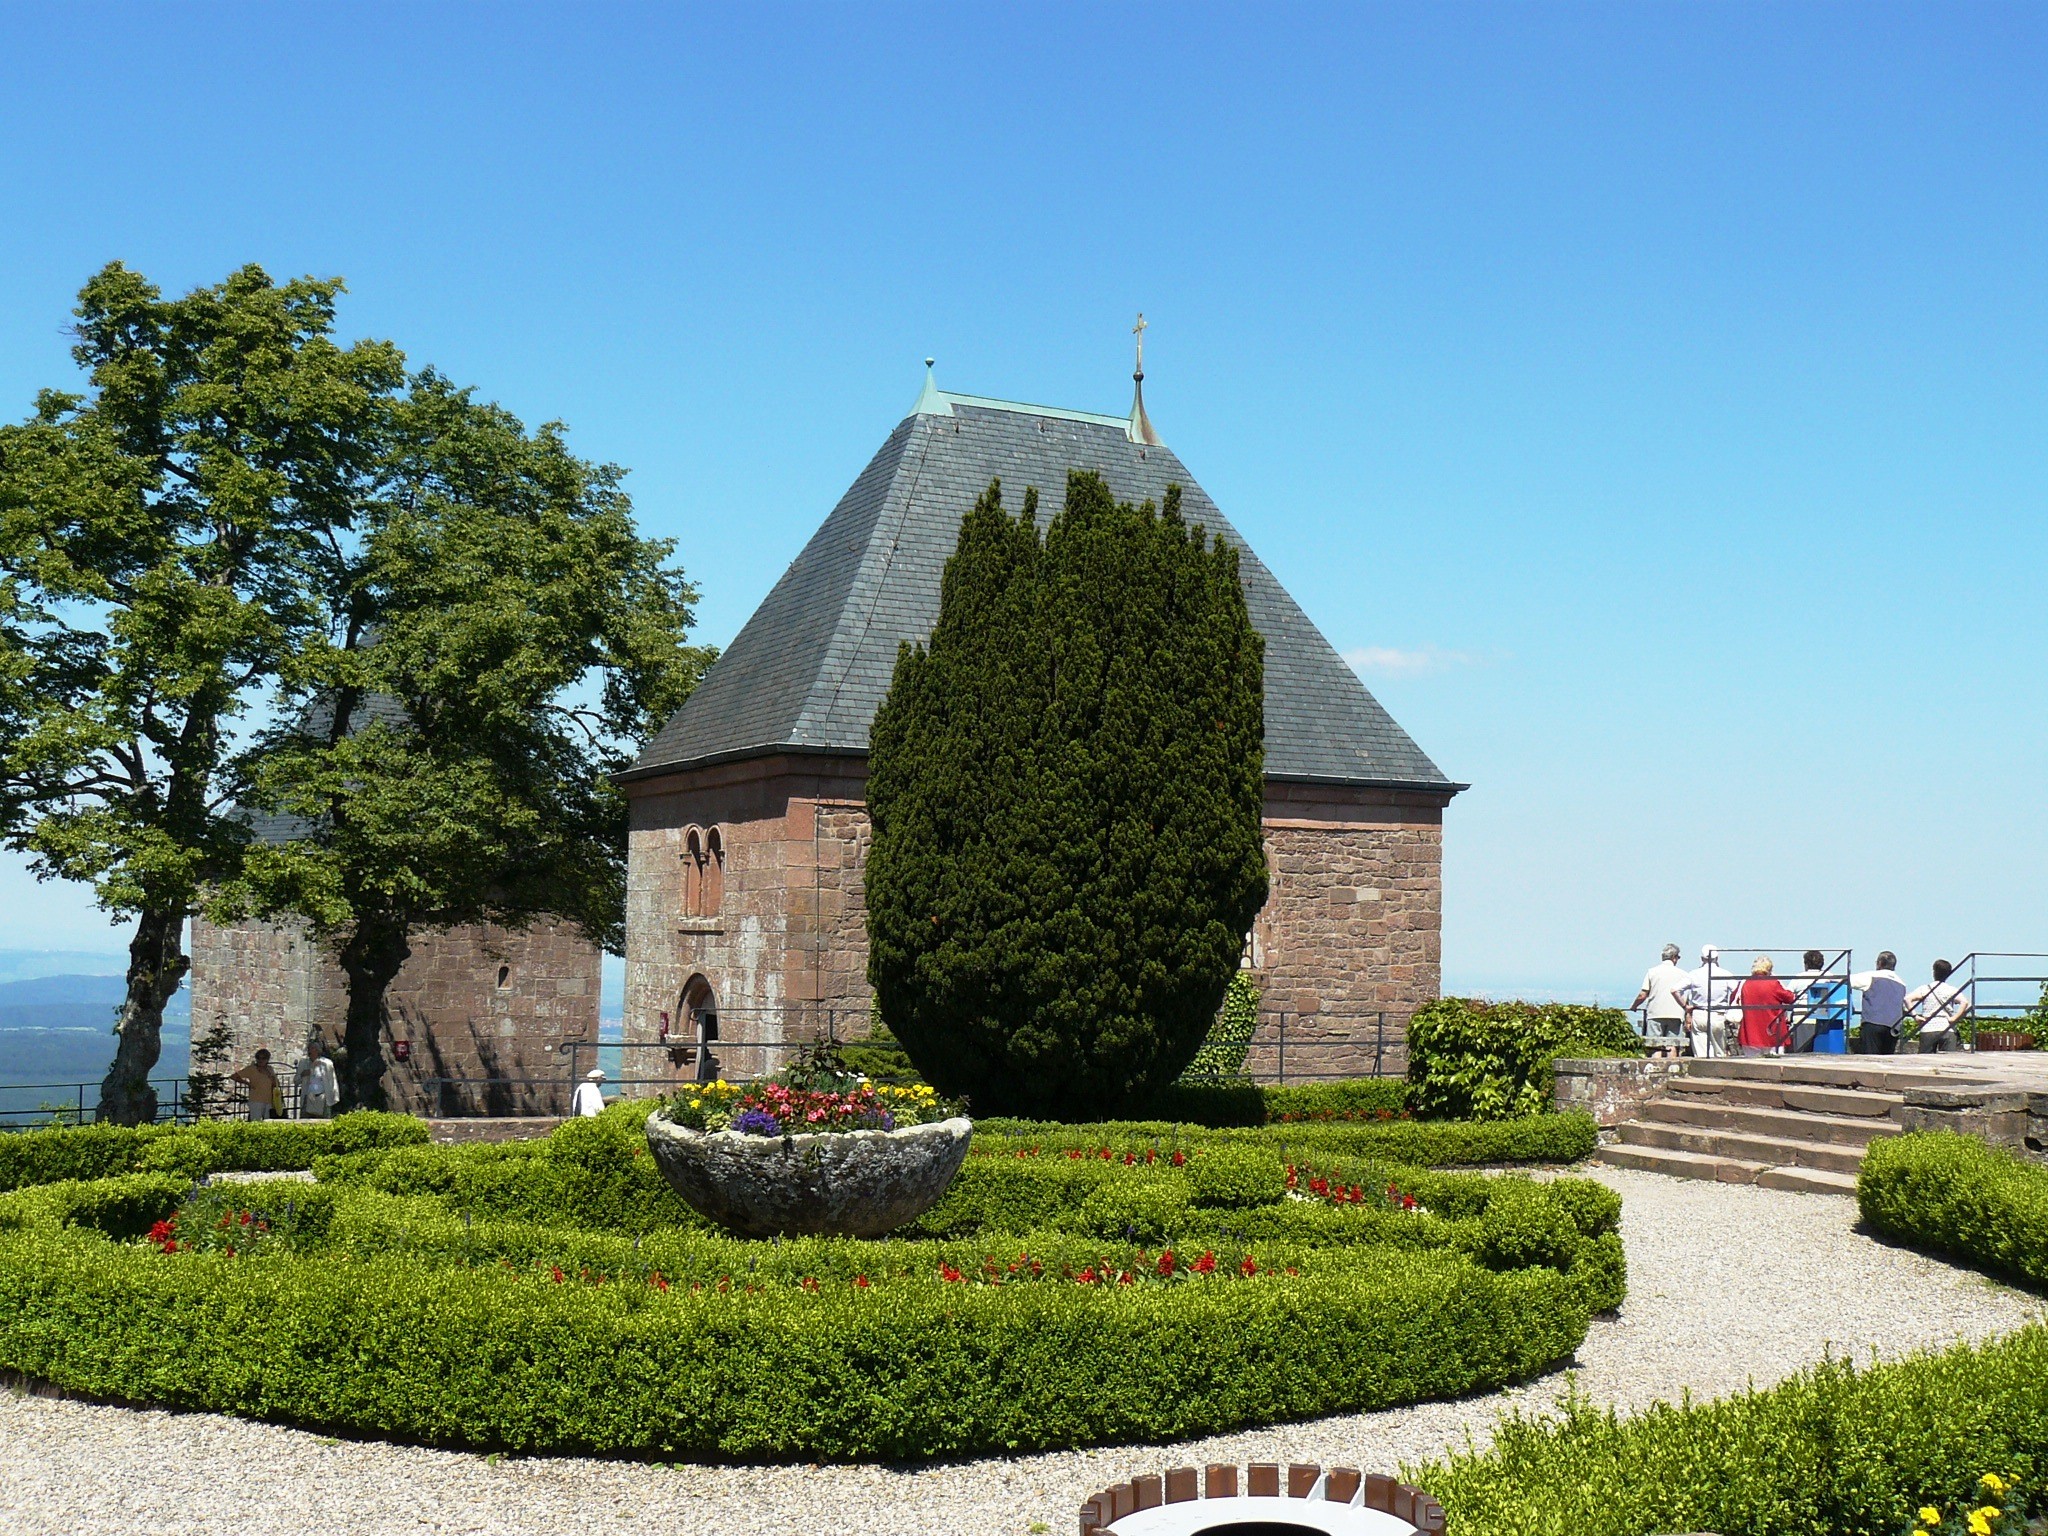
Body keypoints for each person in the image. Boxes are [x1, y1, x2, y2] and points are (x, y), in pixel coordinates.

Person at [1677, 945, 1737, 1058]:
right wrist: (1730, 1006)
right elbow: (1737, 991)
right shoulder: (1725, 974)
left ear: (1702, 958)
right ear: (1717, 958)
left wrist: (1685, 1006)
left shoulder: (1694, 974)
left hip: (1699, 1013)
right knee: (1719, 1052)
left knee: (1700, 1052)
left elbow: (1675, 990)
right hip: (1717, 1013)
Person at [1632, 943, 1689, 1057]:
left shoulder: (1652, 972)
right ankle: (1673, 1070)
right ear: (1674, 957)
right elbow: (1687, 996)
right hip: (1676, 1013)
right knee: (1672, 1045)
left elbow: (1643, 995)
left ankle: (1655, 1068)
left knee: (1656, 1045)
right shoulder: (1683, 974)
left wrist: (1634, 1006)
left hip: (1655, 1013)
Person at [1906, 958, 1972, 1053]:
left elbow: (1907, 999)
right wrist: (1955, 1018)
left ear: (1934, 972)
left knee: (1925, 1059)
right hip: (1947, 1028)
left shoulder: (1925, 988)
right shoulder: (1951, 990)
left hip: (1928, 1027)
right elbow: (1965, 1002)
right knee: (1948, 1060)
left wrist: (1915, 1016)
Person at [1792, 949, 1851, 1054]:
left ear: (1806, 964)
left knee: (1801, 1054)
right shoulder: (1829, 977)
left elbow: (1788, 995)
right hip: (1824, 1019)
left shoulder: (1798, 978)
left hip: (1802, 1019)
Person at [1735, 955, 1796, 1056]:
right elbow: (1790, 998)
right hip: (1772, 1032)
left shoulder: (1746, 984)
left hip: (1750, 1032)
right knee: (1775, 1065)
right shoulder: (1773, 983)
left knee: (1752, 1066)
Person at [1850, 951, 1909, 1055]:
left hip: (1873, 1023)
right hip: (1893, 1027)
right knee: (1887, 1058)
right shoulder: (1902, 983)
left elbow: (1846, 980)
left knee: (1870, 1057)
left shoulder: (1872, 976)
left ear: (1880, 963)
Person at [231, 1049, 282, 1122]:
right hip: (256, 1100)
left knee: (268, 1122)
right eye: (258, 1057)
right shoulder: (251, 1069)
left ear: (267, 1059)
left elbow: (275, 1084)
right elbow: (234, 1076)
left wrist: (271, 1077)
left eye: (263, 1058)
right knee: (256, 1121)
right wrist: (247, 1083)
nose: (260, 1060)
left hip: (269, 1100)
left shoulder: (270, 1069)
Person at [296, 1039, 340, 1119]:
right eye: (310, 1049)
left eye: (313, 1049)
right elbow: (296, 1081)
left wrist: (334, 1097)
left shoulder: (327, 1063)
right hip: (308, 1097)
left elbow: (332, 1082)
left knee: (324, 1123)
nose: (311, 1051)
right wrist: (303, 1074)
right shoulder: (303, 1063)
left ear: (318, 1050)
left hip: (323, 1098)